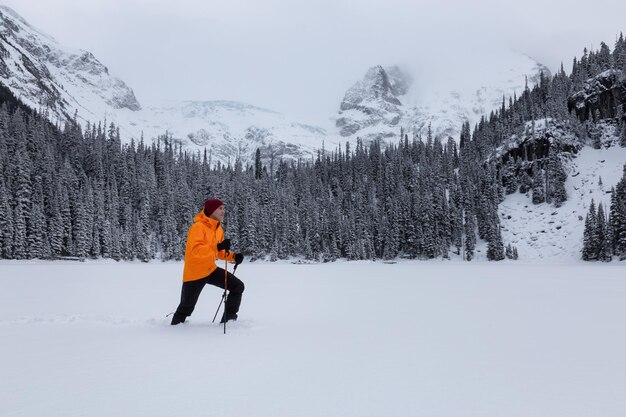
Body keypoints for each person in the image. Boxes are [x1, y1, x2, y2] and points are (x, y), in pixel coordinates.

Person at [171, 198, 245, 325]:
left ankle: (229, 320)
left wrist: (233, 257)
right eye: (220, 209)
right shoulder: (197, 227)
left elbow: (219, 252)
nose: (223, 212)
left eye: (223, 208)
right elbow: (196, 251)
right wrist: (217, 247)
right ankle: (175, 329)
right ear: (211, 211)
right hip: (195, 273)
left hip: (210, 269)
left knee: (237, 286)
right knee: (186, 307)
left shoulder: (218, 229)